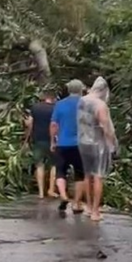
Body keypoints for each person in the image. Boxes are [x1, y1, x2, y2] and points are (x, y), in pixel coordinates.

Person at [77, 76, 117, 222]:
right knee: (98, 176)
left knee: (87, 175)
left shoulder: (81, 101)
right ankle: (95, 211)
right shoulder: (100, 105)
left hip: (83, 141)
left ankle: (88, 207)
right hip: (97, 143)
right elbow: (106, 126)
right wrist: (112, 142)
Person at [50, 79, 86, 214]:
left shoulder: (59, 105)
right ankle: (76, 204)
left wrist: (53, 142)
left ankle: (64, 196)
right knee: (80, 174)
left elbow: (54, 125)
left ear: (68, 89)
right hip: (81, 144)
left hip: (62, 143)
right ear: (81, 89)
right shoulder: (86, 104)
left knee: (60, 171)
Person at [23, 90, 58, 199]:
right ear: (53, 98)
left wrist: (26, 139)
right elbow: (56, 125)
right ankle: (51, 190)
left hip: (38, 139)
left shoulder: (35, 108)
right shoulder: (56, 108)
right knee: (54, 165)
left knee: (39, 165)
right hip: (52, 140)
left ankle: (41, 193)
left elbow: (30, 124)